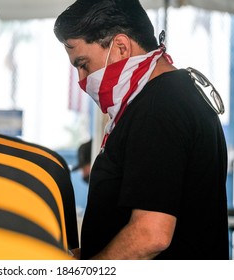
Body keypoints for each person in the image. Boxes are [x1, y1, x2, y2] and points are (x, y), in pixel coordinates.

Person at [54, 0, 229, 260]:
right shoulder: (172, 94)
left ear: (121, 47)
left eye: (84, 64)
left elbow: (151, 235)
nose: (81, 80)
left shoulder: (159, 106)